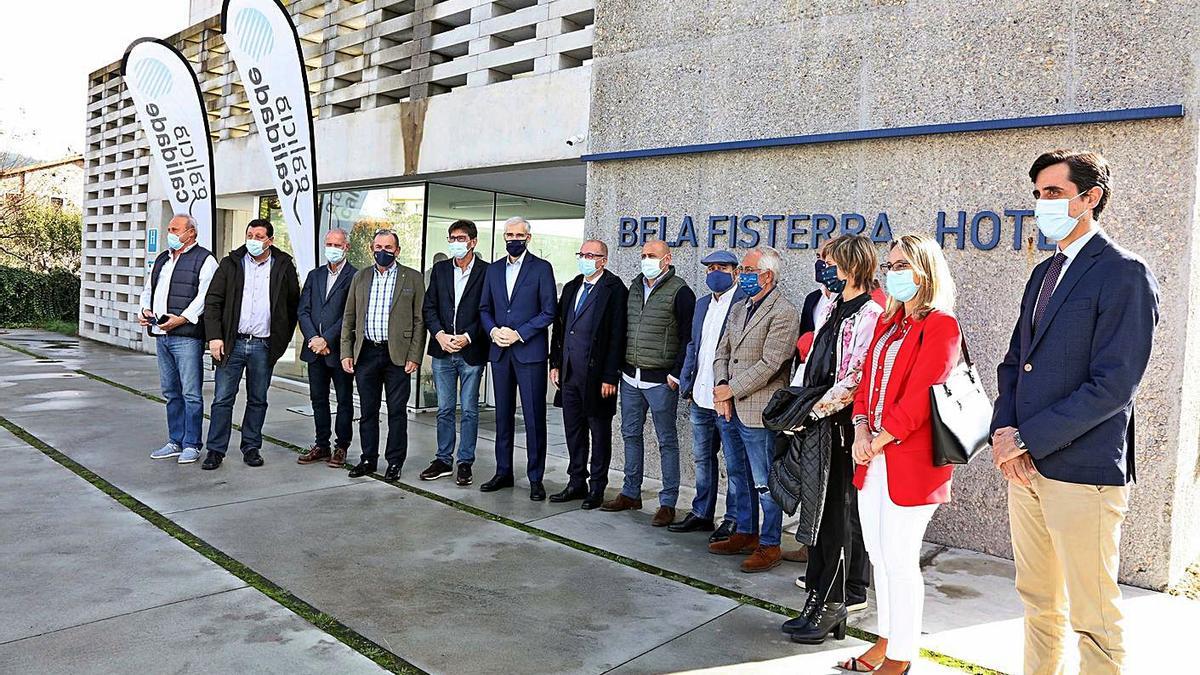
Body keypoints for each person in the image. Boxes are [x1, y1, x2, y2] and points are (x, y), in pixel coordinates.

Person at [991, 150, 1159, 675]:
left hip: (1082, 471)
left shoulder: (1125, 273)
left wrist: (1027, 439)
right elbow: (1016, 362)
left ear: (1091, 199)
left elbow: (1114, 385)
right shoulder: (1042, 274)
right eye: (1039, 194)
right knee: (1038, 602)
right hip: (1024, 468)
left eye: (1055, 193)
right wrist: (1002, 432)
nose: (1043, 204)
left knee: (1094, 615)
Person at [840, 234, 960, 675]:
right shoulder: (891, 325)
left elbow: (923, 393)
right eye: (890, 265)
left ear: (925, 271)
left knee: (901, 560)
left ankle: (901, 656)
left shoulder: (941, 324)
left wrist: (881, 436)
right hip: (873, 456)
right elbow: (866, 385)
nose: (893, 273)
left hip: (909, 460)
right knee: (877, 555)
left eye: (902, 265)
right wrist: (859, 429)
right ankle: (885, 640)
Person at [780, 235, 883, 645]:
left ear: (852, 267)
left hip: (839, 428)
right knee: (819, 520)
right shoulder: (836, 307)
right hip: (818, 425)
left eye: (833, 263)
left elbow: (854, 376)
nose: (827, 270)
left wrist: (809, 414)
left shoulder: (870, 312)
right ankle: (817, 598)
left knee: (837, 519)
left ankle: (833, 603)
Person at [707, 247, 799, 572]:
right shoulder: (739, 308)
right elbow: (722, 352)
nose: (740, 275)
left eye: (746, 270)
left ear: (767, 275)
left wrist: (730, 390)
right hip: (729, 407)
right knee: (737, 475)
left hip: (758, 411)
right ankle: (746, 532)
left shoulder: (784, 312)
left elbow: (771, 364)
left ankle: (770, 544)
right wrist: (722, 391)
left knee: (763, 482)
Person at [601, 239, 696, 527]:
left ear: (667, 259)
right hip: (631, 377)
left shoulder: (680, 291)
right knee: (630, 433)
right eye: (643, 255)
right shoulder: (634, 288)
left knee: (666, 440)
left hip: (660, 380)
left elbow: (688, 338)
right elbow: (623, 329)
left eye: (652, 255)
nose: (646, 259)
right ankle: (631, 492)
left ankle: (668, 502)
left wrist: (677, 373)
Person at [201, 218, 300, 470]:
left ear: (270, 240)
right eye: (250, 235)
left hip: (263, 345)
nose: (253, 240)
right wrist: (214, 337)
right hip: (232, 343)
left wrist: (279, 343)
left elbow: (291, 306)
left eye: (259, 236)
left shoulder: (283, 265)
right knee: (223, 398)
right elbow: (213, 301)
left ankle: (251, 447)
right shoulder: (231, 263)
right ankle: (215, 450)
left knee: (258, 399)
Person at [478, 216, 557, 500]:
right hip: (500, 351)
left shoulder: (541, 268)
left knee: (534, 417)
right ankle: (503, 471)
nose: (513, 239)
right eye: (509, 235)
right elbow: (484, 308)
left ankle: (536, 478)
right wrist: (494, 330)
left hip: (529, 352)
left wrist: (519, 334)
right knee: (502, 415)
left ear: (528, 238)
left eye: (518, 235)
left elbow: (549, 311)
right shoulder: (494, 269)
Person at [340, 229, 426, 482]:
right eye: (378, 247)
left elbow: (420, 320)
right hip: (366, 352)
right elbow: (349, 317)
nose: (383, 252)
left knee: (397, 411)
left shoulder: (412, 278)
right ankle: (368, 458)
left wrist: (415, 355)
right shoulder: (361, 277)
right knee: (368, 410)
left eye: (388, 248)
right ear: (371, 248)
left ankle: (395, 461)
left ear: (397, 251)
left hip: (397, 355)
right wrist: (347, 351)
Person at [548, 239, 628, 508]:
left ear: (603, 260)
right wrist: (555, 363)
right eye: (581, 254)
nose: (584, 259)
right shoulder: (572, 287)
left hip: (597, 377)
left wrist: (610, 376)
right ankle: (576, 481)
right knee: (574, 430)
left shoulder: (614, 289)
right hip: (569, 374)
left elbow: (618, 335)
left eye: (590, 255)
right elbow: (560, 329)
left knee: (599, 432)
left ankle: (597, 486)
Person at [673, 251, 745, 541]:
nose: (715, 272)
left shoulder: (743, 303)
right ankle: (702, 512)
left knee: (734, 463)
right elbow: (694, 345)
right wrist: (687, 381)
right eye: (711, 268)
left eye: (722, 267)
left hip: (725, 399)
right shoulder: (702, 304)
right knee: (703, 458)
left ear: (735, 272)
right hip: (700, 396)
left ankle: (733, 519)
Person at [139, 214, 218, 465]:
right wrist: (145, 309)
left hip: (186, 336)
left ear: (191, 233)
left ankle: (192, 444)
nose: (170, 233)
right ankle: (175, 440)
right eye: (170, 229)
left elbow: (205, 296)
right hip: (162, 334)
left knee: (191, 393)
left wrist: (182, 318)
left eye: (175, 229)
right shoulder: (163, 258)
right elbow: (149, 288)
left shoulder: (205, 259)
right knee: (171, 391)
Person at [419, 220, 489, 487]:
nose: (456, 243)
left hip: (471, 351)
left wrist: (467, 337)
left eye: (461, 238)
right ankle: (443, 459)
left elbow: (487, 309)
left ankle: (465, 462)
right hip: (442, 349)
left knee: (470, 410)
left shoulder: (486, 272)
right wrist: (440, 335)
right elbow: (430, 307)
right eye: (452, 238)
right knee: (445, 409)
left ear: (473, 241)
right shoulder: (439, 270)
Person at [296, 228, 356, 469]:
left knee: (344, 400)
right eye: (328, 244)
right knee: (318, 399)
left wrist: (326, 339)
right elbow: (303, 310)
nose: (331, 248)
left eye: (337, 244)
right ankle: (322, 444)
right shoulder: (315, 275)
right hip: (314, 350)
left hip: (339, 351)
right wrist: (313, 338)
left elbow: (349, 315)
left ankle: (342, 446)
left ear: (346, 248)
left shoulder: (355, 276)